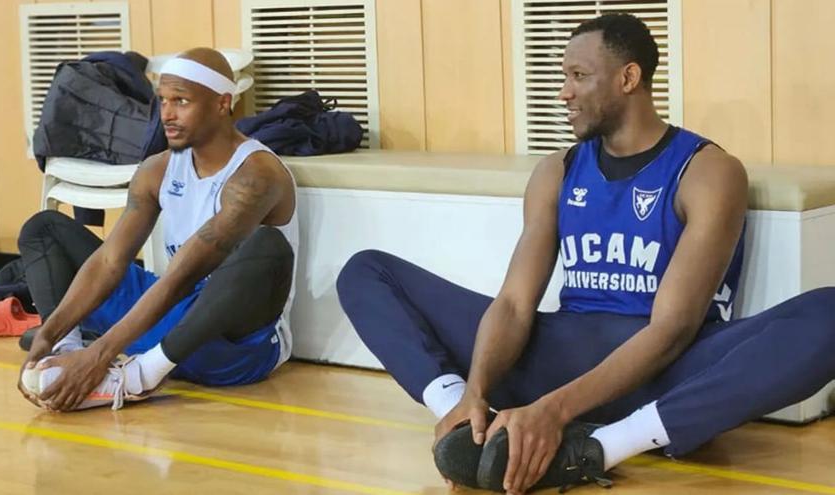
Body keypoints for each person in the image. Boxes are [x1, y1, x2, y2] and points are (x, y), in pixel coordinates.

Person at [336, 13, 835, 494]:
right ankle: (468, 423)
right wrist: (476, 391)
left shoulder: (707, 171)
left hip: (665, 374)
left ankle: (598, 448)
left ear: (628, 77)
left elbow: (672, 330)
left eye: (579, 76)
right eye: (564, 76)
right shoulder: (556, 171)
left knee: (829, 313)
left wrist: (553, 411)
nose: (564, 92)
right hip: (560, 356)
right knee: (367, 272)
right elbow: (513, 304)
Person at [17, 47, 299, 412]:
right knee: (44, 229)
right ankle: (68, 356)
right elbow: (109, 261)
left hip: (230, 345)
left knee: (267, 245)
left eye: (181, 101)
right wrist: (50, 332)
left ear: (221, 104)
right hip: (167, 312)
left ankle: (137, 377)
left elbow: (183, 275)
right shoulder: (157, 168)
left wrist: (103, 353)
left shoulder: (256, 175)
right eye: (163, 100)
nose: (167, 113)